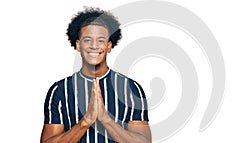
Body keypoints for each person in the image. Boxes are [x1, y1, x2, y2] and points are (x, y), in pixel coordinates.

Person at [40, 7, 151, 143]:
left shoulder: (131, 88)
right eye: (87, 40)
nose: (94, 46)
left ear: (109, 46)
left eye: (100, 40)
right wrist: (86, 121)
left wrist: (105, 119)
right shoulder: (60, 90)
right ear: (78, 45)